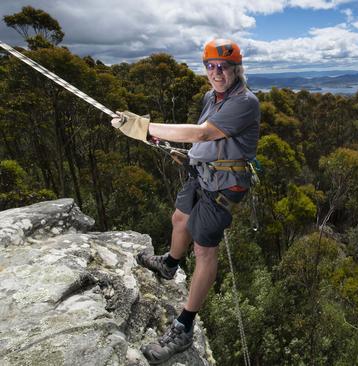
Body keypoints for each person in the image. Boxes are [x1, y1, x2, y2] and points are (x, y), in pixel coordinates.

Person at [111, 38, 260, 364]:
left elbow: (204, 133)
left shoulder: (246, 102)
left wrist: (144, 127)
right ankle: (169, 265)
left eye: (224, 67)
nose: (217, 72)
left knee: (205, 250)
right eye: (211, 66)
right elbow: (204, 138)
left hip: (224, 186)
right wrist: (188, 155)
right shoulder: (211, 96)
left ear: (236, 69)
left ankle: (185, 324)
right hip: (201, 173)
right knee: (179, 218)